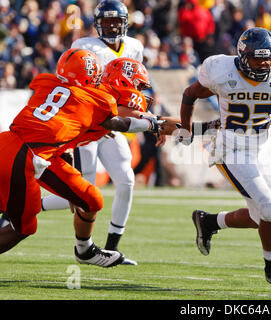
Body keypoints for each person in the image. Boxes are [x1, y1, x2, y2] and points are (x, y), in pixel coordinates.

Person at [178, 27, 271, 292]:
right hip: (232, 147)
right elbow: (190, 93)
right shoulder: (222, 71)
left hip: (264, 146)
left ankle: (208, 221)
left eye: (268, 58)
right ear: (242, 56)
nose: (263, 64)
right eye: (256, 58)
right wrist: (185, 128)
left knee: (258, 218)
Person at [0, 48, 162, 265]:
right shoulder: (95, 99)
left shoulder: (46, 83)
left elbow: (60, 126)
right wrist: (151, 123)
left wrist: (66, 157)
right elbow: (120, 123)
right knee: (24, 227)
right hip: (26, 157)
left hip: (31, 149)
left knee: (90, 198)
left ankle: (85, 251)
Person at [40, 0, 145, 265]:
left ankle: (112, 246)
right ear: (97, 24)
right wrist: (96, 119)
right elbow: (72, 83)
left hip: (113, 123)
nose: (111, 26)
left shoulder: (135, 46)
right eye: (107, 21)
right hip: (88, 124)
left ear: (125, 23)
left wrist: (132, 114)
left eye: (116, 21)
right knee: (82, 190)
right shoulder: (84, 46)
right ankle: (30, 205)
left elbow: (134, 86)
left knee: (127, 180)